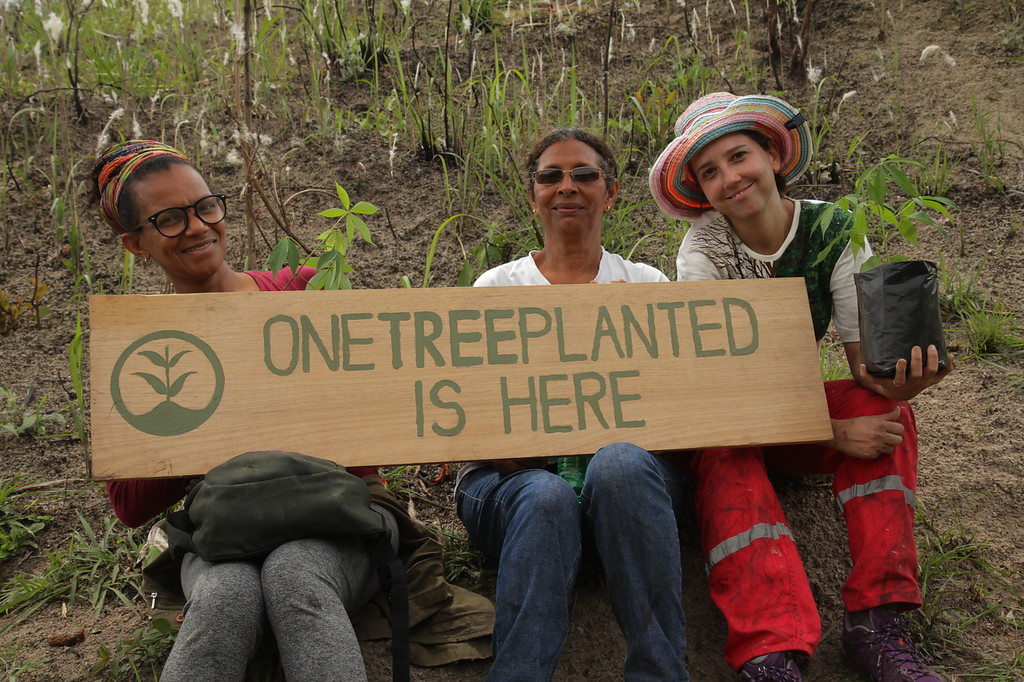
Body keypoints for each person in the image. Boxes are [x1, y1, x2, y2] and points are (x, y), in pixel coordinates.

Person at [91, 140, 493, 681]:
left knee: (296, 573)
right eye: (168, 219)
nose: (196, 226)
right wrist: (209, 417)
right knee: (226, 592)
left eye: (205, 207)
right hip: (226, 529)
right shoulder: (144, 347)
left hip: (337, 517)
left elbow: (381, 430)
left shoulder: (302, 289)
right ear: (135, 244)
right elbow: (129, 505)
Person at [649, 93, 954, 682]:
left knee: (883, 411)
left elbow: (864, 368)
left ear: (772, 156)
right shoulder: (703, 250)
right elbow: (716, 394)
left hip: (787, 409)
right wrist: (831, 431)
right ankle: (770, 648)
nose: (730, 178)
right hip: (736, 418)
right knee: (722, 446)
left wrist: (904, 385)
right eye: (710, 172)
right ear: (701, 190)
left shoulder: (833, 229)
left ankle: (879, 623)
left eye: (739, 156)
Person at [455, 128, 690, 681]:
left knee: (621, 463)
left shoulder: (647, 287)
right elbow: (468, 410)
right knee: (545, 494)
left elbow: (678, 410)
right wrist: (518, 456)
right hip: (509, 489)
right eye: (551, 176)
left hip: (625, 491)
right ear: (532, 192)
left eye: (584, 175)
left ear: (609, 193)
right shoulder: (494, 289)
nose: (568, 187)